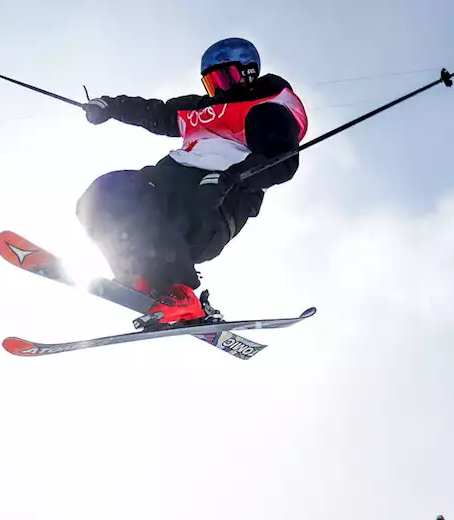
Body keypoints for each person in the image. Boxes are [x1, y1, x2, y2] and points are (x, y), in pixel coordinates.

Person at [77, 37, 308, 329]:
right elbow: (155, 113)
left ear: (250, 74)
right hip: (166, 188)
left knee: (174, 200)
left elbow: (282, 160)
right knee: (102, 196)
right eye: (213, 83)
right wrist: (110, 106)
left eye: (228, 78)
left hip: (215, 201)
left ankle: (179, 291)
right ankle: (141, 279)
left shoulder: (264, 108)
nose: (222, 89)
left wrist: (231, 180)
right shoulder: (201, 110)